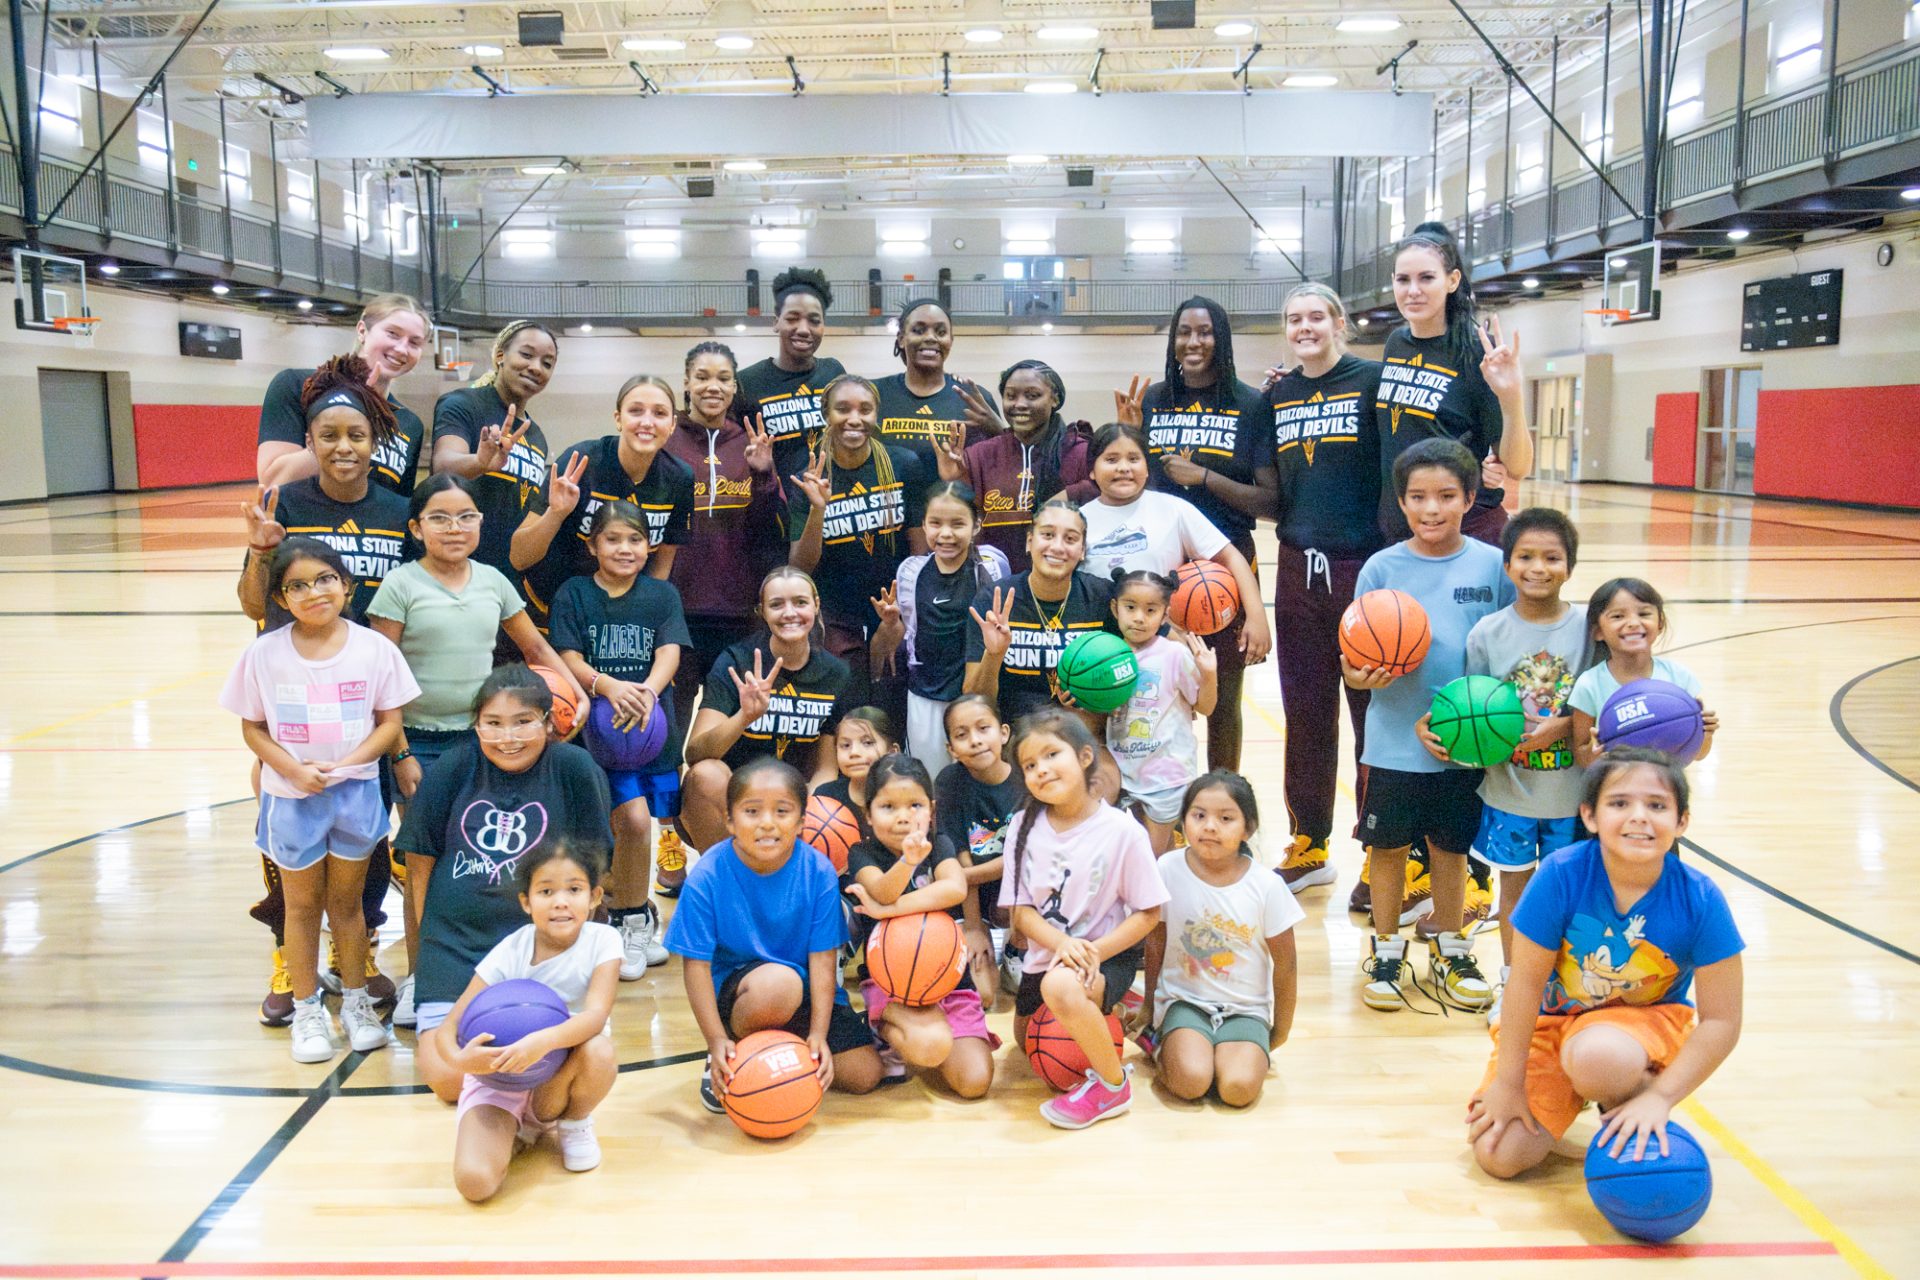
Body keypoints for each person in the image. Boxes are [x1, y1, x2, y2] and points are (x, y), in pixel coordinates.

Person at [367, 475, 585, 1025]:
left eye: (466, 516)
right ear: (416, 528)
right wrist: (398, 753)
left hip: (486, 742)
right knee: (425, 866)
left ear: (481, 524)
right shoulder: (399, 584)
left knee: (487, 859)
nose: (455, 527)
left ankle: (503, 967)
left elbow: (533, 645)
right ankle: (422, 978)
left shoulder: (493, 580)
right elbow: (380, 675)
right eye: (439, 517)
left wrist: (575, 687)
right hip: (419, 744)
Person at [1468, 750, 1745, 1178]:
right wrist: (1509, 1084)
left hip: (1639, 1028)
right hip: (1553, 1025)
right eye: (1619, 803)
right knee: (1499, 1154)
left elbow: (1722, 1021)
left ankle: (1632, 1099)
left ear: (1682, 821)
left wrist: (1662, 1097)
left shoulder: (1700, 898)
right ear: (1590, 816)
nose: (1638, 817)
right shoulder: (1560, 874)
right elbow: (1522, 985)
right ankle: (1571, 1101)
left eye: (1656, 805)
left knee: (1601, 1057)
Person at [239, 357, 413, 1024]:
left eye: (357, 435)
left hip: (367, 698)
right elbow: (252, 604)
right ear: (309, 442)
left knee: (363, 835)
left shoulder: (400, 512)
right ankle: (291, 956)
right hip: (293, 702)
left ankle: (357, 953)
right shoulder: (288, 503)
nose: (344, 448)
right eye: (329, 436)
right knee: (289, 842)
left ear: (376, 442)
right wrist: (259, 552)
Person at [220, 538, 418, 1062]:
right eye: (298, 586)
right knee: (303, 907)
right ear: (281, 599)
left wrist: (351, 763)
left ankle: (354, 1003)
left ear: (346, 586)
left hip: (353, 795)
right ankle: (307, 1010)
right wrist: (290, 768)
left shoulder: (375, 648)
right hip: (292, 798)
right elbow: (253, 727)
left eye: (325, 579)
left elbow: (390, 724)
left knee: (348, 907)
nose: (314, 592)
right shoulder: (265, 653)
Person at [1343, 438, 1514, 1014]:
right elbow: (1350, 659)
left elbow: (1510, 645)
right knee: (1386, 849)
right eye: (1418, 497)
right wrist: (1365, 677)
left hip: (1465, 740)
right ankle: (1387, 951)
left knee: (1451, 849)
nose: (1431, 509)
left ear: (1470, 497)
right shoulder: (1382, 567)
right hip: (1393, 739)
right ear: (1401, 501)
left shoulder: (1493, 566)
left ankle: (1451, 944)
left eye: (1446, 496)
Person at [404, 666, 614, 1096]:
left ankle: (530, 1105)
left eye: (523, 722)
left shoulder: (575, 768)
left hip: (543, 953)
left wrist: (578, 953)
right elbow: (419, 866)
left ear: (549, 722)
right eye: (492, 724)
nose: (508, 737)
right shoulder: (452, 767)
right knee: (448, 1081)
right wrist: (425, 956)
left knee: (566, 1056)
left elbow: (593, 870)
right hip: (457, 949)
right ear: (475, 724)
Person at [666, 757, 884, 1112]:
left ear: (800, 823)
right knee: (779, 985)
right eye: (752, 811)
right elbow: (696, 967)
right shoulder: (707, 876)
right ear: (730, 820)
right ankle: (734, 1052)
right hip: (747, 994)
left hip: (805, 990)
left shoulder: (818, 871)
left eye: (782, 812)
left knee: (865, 1074)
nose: (767, 823)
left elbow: (823, 960)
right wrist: (715, 1039)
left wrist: (817, 1034)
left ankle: (785, 1047)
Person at [1117, 297, 1277, 772]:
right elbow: (1134, 481)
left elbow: (1269, 501)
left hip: (1224, 567)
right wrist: (1131, 436)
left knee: (1224, 696)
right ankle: (1164, 796)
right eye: (1184, 332)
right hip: (1161, 565)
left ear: (1221, 337)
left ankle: (1221, 795)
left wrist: (1203, 477)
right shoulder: (1153, 401)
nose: (1194, 341)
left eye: (1205, 332)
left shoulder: (1250, 404)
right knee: (1157, 688)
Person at [1264, 284, 1387, 894]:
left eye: (1316, 316)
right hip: (1296, 567)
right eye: (1294, 319)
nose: (1305, 326)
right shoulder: (1279, 394)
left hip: (1362, 565)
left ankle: (1380, 845)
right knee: (1306, 712)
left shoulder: (1372, 380)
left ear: (1340, 322)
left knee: (1372, 712)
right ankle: (1310, 841)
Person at [1003, 709, 1168, 1130]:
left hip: (1104, 955)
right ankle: (1119, 1014)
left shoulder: (1122, 831)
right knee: (1028, 1043)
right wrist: (1061, 945)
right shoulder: (1023, 825)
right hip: (1050, 953)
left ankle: (1113, 1087)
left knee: (1062, 988)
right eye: (1029, 765)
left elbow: (1149, 913)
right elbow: (1020, 912)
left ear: (1084, 757)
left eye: (1051, 755)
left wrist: (1089, 952)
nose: (1040, 770)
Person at [549, 501, 690, 980]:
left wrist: (648, 691)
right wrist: (607, 687)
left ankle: (633, 921)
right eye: (613, 539)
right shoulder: (574, 593)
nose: (625, 549)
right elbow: (566, 654)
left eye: (635, 540)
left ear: (648, 546)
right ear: (593, 545)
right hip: (593, 731)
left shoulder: (661, 595)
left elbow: (669, 651)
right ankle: (622, 914)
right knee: (619, 823)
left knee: (637, 822)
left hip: (649, 730)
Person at [1079, 421, 1270, 766]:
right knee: (1101, 743)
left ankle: (1172, 808)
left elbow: (1231, 557)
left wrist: (1257, 615)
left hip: (1162, 649)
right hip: (1101, 651)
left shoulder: (1172, 509)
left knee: (1162, 738)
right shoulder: (1082, 519)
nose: (1123, 467)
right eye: (1111, 459)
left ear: (1147, 466)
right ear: (1091, 470)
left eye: (1133, 458)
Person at [1465, 508, 1595, 1013]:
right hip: (1508, 792)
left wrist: (1560, 727)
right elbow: (1471, 709)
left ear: (1570, 566)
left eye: (1552, 557)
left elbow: (1599, 699)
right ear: (1507, 565)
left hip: (1572, 794)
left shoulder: (1590, 629)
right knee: (1513, 894)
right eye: (1525, 556)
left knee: (1568, 896)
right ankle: (1513, 987)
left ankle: (1561, 986)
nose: (1538, 567)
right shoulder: (1487, 634)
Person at [440, 842, 621, 1200]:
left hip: (556, 1079)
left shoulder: (604, 940)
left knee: (599, 1050)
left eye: (574, 889)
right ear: (526, 901)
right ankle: (517, 1129)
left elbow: (595, 1016)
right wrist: (461, 1060)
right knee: (475, 1185)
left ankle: (572, 1122)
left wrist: (542, 1041)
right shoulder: (510, 950)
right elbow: (448, 1027)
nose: (560, 901)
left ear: (594, 896)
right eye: (546, 891)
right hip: (500, 1079)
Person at [1136, 771, 1300, 1107]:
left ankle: (1221, 1054)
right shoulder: (1167, 869)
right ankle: (1161, 1045)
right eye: (1199, 816)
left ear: (1248, 828)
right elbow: (1156, 942)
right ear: (1183, 821)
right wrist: (1151, 1005)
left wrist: (1280, 1029)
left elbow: (1287, 964)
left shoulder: (1266, 886)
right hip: (1185, 1003)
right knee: (1191, 1082)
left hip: (1246, 1010)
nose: (1210, 826)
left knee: (1237, 1090)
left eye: (1226, 818)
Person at [844, 753, 995, 1097]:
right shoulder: (861, 853)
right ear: (868, 814)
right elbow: (881, 891)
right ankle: (889, 1029)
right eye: (888, 807)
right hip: (893, 986)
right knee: (930, 1045)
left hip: (950, 982)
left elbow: (955, 887)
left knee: (974, 1083)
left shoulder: (939, 844)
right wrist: (907, 863)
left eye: (914, 805)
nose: (903, 818)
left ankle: (935, 1035)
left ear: (931, 809)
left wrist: (888, 912)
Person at [678, 567, 857, 853]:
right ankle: (727, 883)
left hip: (793, 799)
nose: (790, 613)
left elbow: (826, 767)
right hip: (732, 801)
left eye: (800, 602)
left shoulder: (836, 673)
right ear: (762, 611)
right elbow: (695, 754)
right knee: (705, 775)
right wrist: (744, 717)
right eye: (777, 604)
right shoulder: (736, 661)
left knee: (828, 812)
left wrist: (809, 809)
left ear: (816, 605)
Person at [1375, 223, 1531, 547]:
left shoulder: (1477, 350)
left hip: (1465, 532)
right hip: (1403, 533)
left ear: (1452, 280)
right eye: (1403, 279)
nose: (1413, 290)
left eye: (1426, 278)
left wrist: (1512, 395)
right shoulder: (1395, 344)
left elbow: (1518, 466)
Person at [788, 374, 928, 711]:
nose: (855, 419)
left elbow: (919, 554)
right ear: (826, 414)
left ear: (876, 415)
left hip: (890, 611)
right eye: (843, 409)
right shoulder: (806, 468)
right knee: (843, 713)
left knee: (888, 711)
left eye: (865, 409)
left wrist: (898, 619)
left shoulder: (903, 464)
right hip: (834, 618)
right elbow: (799, 567)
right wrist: (817, 510)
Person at [512, 373, 693, 631]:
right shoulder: (581, 461)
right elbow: (519, 557)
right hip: (547, 611)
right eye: (636, 411)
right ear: (618, 419)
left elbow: (661, 566)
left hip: (616, 621)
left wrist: (634, 618)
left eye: (660, 413)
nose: (647, 422)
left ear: (673, 424)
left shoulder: (679, 477)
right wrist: (556, 513)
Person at [870, 481, 1011, 772]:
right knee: (932, 782)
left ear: (976, 525)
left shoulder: (993, 567)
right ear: (923, 524)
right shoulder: (911, 571)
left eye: (958, 523)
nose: (945, 534)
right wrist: (891, 624)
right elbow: (905, 638)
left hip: (976, 695)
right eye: (935, 523)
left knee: (979, 776)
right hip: (925, 697)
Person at [256, 293, 433, 495]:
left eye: (414, 342)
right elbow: (272, 482)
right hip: (307, 526)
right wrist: (353, 410)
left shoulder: (409, 423)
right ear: (362, 330)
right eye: (393, 333)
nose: (402, 348)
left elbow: (399, 506)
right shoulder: (299, 386)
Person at [963, 498, 1118, 722]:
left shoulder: (1103, 597)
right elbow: (975, 702)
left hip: (1081, 732)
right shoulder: (994, 600)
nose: (1057, 547)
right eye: (1047, 535)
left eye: (1071, 539)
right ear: (1029, 541)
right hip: (1014, 737)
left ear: (1082, 550)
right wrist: (994, 655)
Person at [931, 360, 1091, 573]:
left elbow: (1104, 498)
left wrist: (1067, 496)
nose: (1020, 404)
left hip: (1063, 581)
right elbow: (964, 518)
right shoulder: (980, 454)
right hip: (994, 583)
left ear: (1055, 399)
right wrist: (954, 480)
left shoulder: (1079, 451)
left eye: (1032, 395)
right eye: (1011, 396)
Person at [431, 320, 559, 582]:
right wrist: (480, 462)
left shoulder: (535, 436)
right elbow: (443, 465)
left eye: (547, 363)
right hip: (458, 570)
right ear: (501, 355)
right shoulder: (463, 404)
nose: (535, 367)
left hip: (508, 577)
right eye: (526, 354)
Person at [1104, 568, 1217, 854]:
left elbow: (1205, 706)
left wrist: (1209, 675)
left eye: (1150, 610)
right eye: (1130, 607)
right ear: (1115, 608)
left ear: (1165, 615)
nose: (1139, 617)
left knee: (1148, 860)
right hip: (1123, 771)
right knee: (1159, 857)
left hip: (1166, 775)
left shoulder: (1174, 654)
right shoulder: (1104, 654)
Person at [934, 694, 1027, 1003]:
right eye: (962, 735)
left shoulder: (1027, 777)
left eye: (983, 728)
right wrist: (973, 927)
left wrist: (971, 874)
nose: (975, 741)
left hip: (1020, 893)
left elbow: (1026, 860)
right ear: (951, 749)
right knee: (985, 995)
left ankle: (1018, 944)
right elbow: (960, 859)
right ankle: (983, 933)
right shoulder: (950, 782)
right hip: (972, 896)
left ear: (1003, 733)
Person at [1569, 579, 1719, 768]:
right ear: (1598, 631)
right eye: (1617, 616)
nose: (1633, 623)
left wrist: (1704, 733)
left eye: (1644, 613)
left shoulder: (1679, 677)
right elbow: (1582, 757)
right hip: (1612, 789)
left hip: (1663, 788)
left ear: (1660, 623)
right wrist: (1596, 749)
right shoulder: (1589, 684)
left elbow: (1699, 754)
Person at [736, 267, 847, 483]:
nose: (804, 329)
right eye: (793, 318)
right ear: (776, 322)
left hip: (829, 501)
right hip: (775, 507)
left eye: (814, 320)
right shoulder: (746, 382)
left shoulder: (833, 373)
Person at [874, 298, 1001, 476]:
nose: (930, 337)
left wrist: (1000, 430)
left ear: (951, 340)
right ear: (902, 339)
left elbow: (1001, 466)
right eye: (919, 330)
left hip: (955, 502)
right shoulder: (875, 394)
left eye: (941, 332)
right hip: (889, 503)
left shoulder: (973, 398)